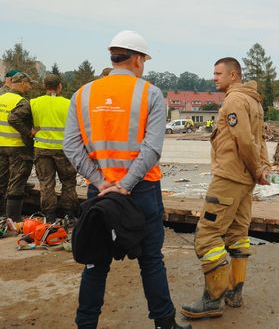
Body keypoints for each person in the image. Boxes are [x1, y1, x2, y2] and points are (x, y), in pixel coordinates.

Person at [63, 30, 189, 329]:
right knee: (150, 260)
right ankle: (164, 324)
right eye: (143, 59)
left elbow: (71, 145)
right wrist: (126, 184)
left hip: (101, 192)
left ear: (113, 56)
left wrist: (102, 181)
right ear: (136, 59)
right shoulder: (150, 93)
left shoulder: (82, 95)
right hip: (142, 190)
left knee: (96, 263)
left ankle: (86, 324)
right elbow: (152, 148)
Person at [181, 57, 270, 320]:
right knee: (237, 234)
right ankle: (234, 291)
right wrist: (263, 168)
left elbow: (244, 139)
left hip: (230, 177)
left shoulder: (233, 101)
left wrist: (257, 169)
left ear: (233, 75)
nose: (214, 77)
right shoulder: (254, 100)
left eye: (218, 73)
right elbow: (259, 140)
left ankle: (213, 299)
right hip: (245, 181)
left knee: (207, 235)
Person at [30, 74, 78, 223]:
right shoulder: (69, 103)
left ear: (45, 87)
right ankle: (68, 215)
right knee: (68, 181)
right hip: (64, 149)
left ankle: (49, 217)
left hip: (42, 149)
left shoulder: (34, 103)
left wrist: (29, 131)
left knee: (46, 183)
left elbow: (15, 118)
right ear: (59, 86)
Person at [0, 72, 34, 221]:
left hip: (1, 146)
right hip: (17, 147)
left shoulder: (0, 98)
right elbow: (13, 119)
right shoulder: (22, 102)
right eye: (29, 83)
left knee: (1, 182)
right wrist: (29, 132)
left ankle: (2, 216)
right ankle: (13, 220)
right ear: (22, 83)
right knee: (16, 183)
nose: (30, 86)